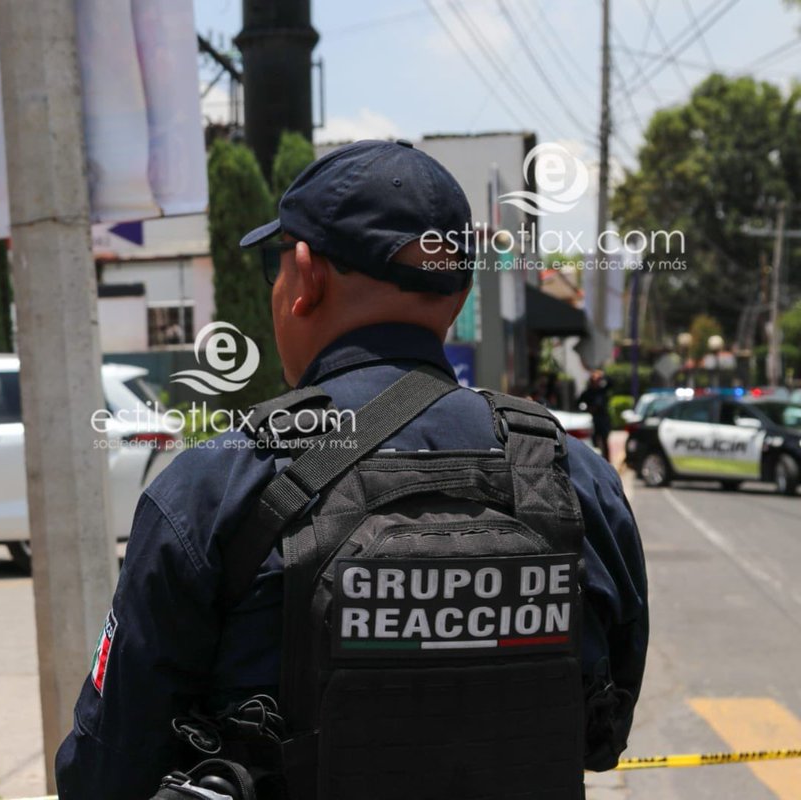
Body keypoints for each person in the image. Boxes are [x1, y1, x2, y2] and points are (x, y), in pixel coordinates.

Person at [55, 140, 648, 799]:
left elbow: (103, 772)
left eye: (276, 270)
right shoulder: (577, 476)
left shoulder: (216, 486)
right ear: (453, 296)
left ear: (306, 278)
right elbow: (604, 732)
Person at [577, 370, 613, 462]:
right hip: (593, 419)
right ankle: (596, 461)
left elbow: (611, 382)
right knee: (594, 442)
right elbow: (578, 403)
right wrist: (587, 408)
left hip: (603, 418)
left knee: (605, 441)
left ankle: (607, 461)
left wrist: (602, 375)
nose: (596, 382)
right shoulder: (588, 392)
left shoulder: (601, 390)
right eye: (594, 380)